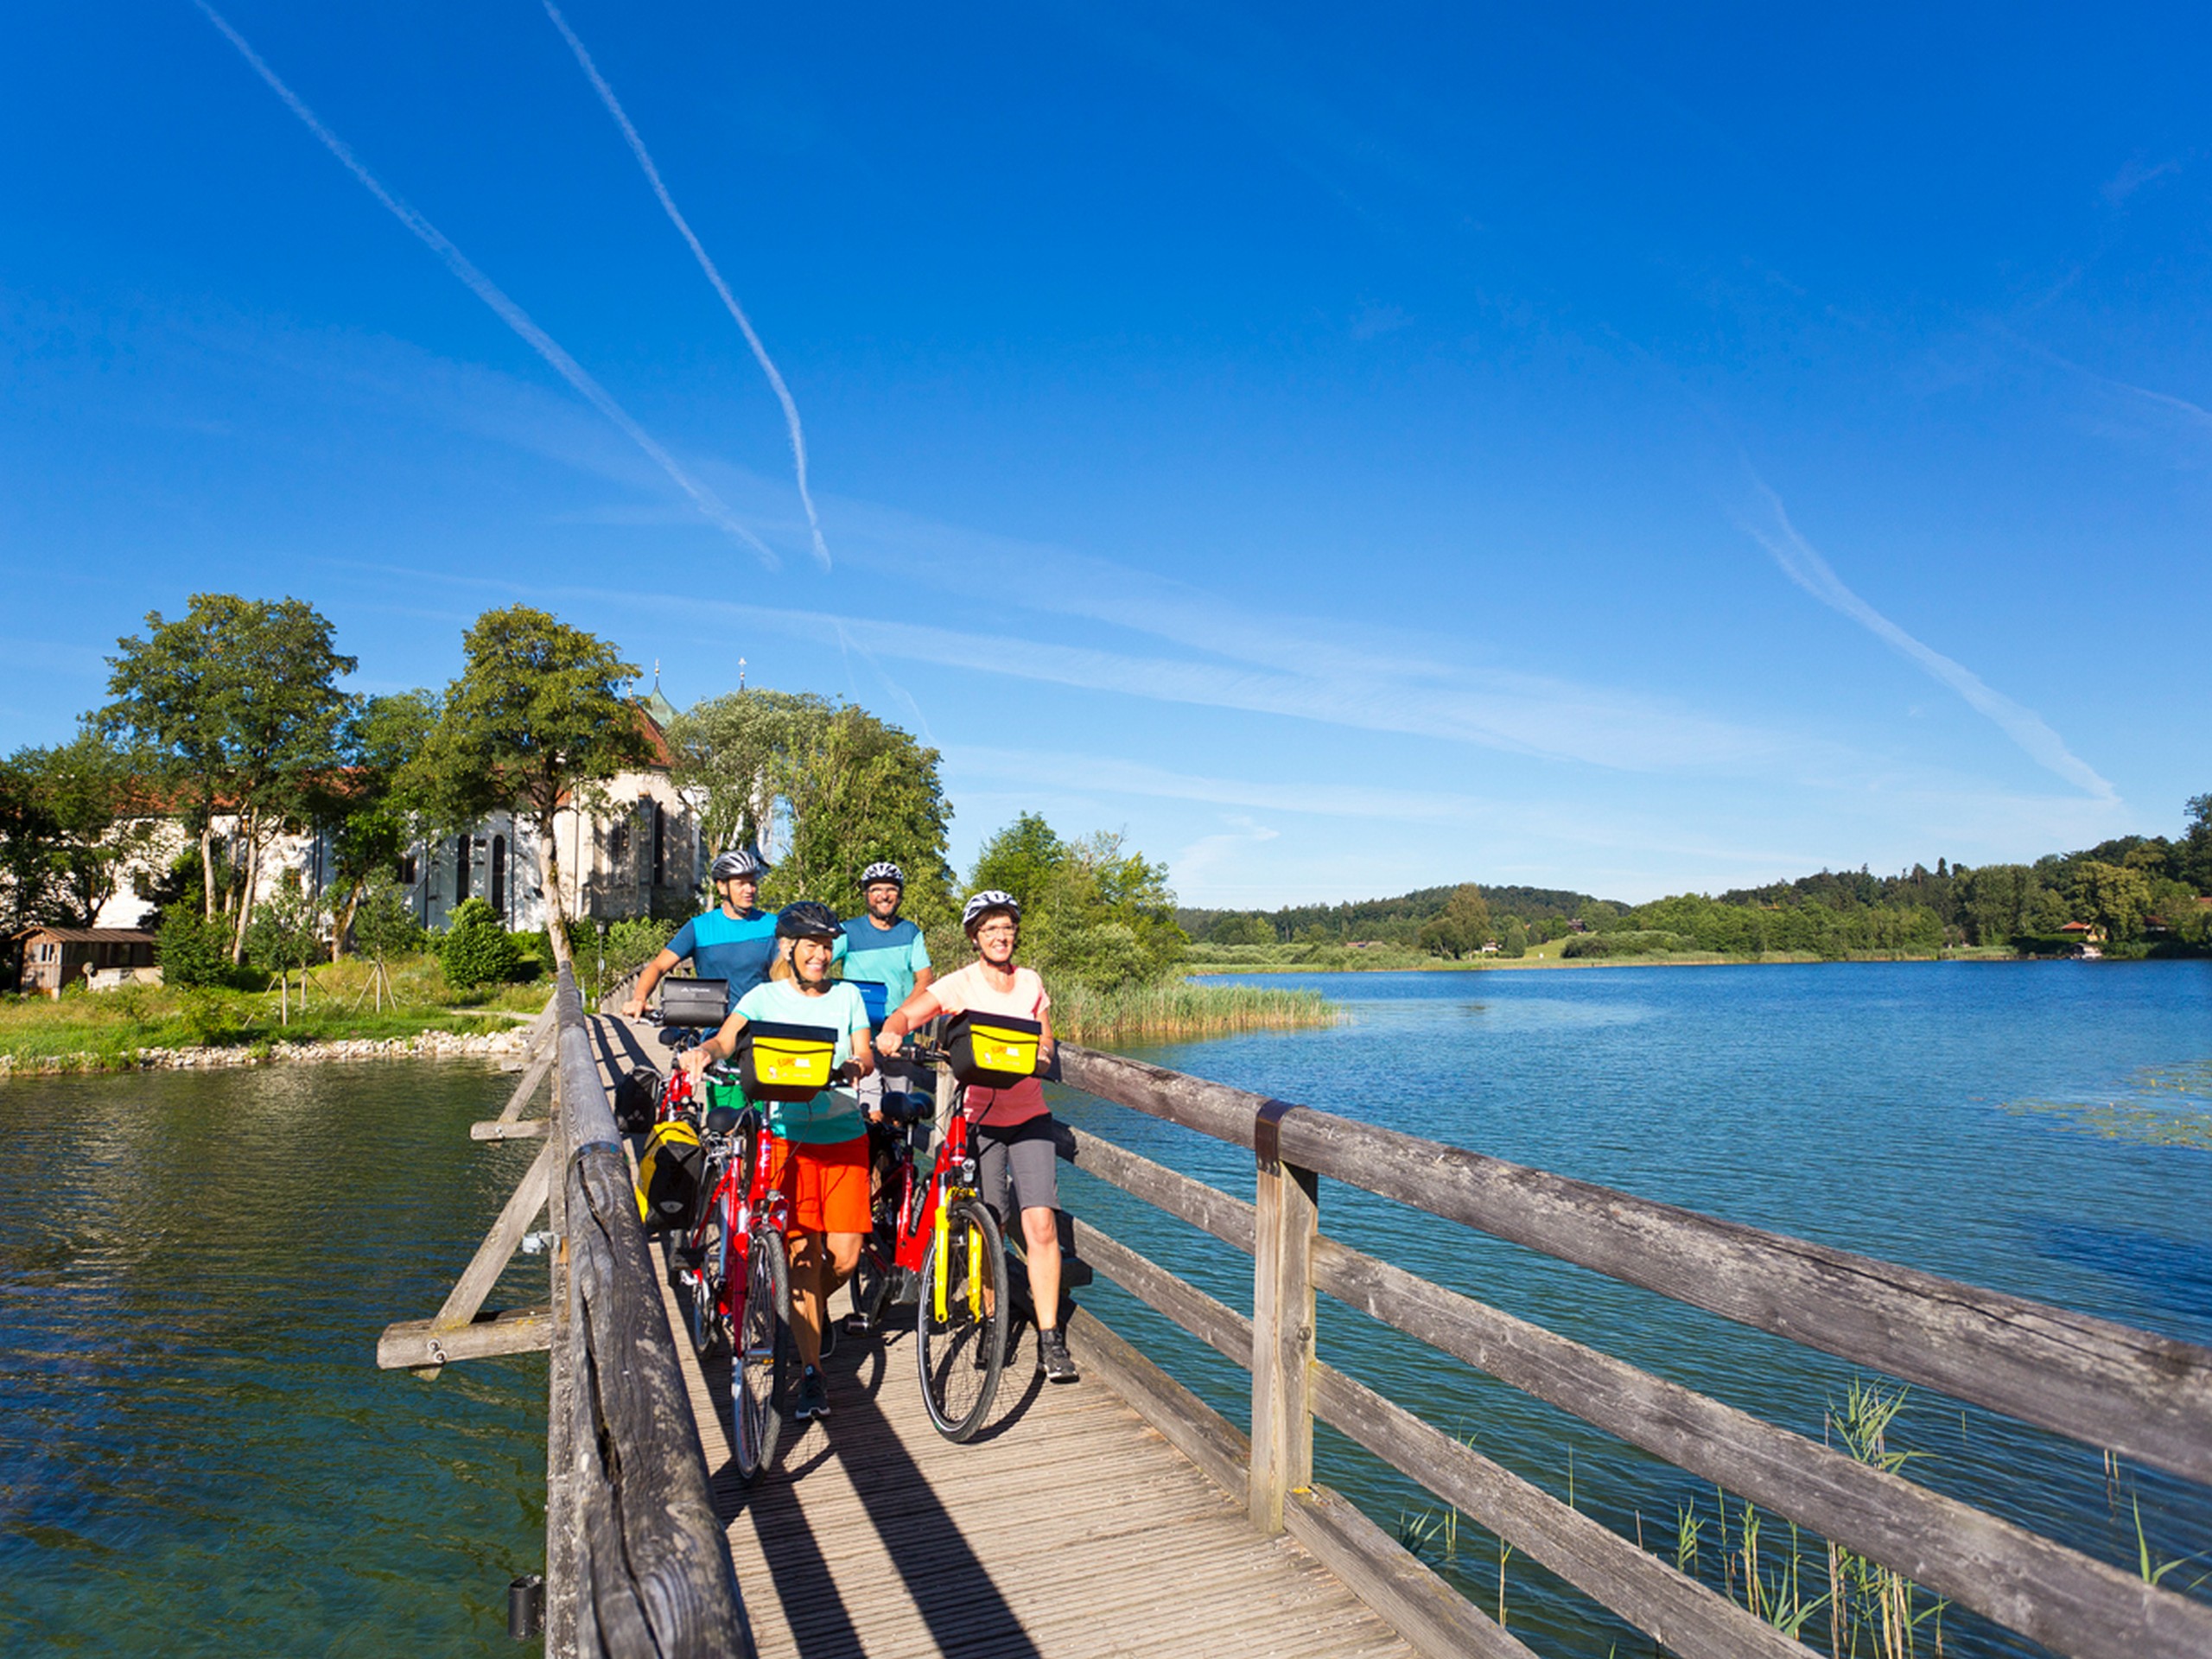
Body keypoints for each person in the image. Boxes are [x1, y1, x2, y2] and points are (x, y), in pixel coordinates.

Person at [874, 889, 1077, 1384]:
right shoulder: (960, 983)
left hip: (1029, 1115)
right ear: (975, 937)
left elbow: (1045, 1037)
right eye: (990, 929)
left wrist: (1045, 1053)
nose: (1000, 936)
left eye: (1007, 928)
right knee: (990, 1223)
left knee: (1041, 1225)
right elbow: (910, 1013)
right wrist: (891, 1031)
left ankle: (1050, 1339)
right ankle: (991, 1319)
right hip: (980, 1119)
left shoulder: (1030, 982)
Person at [682, 901, 874, 1422]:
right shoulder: (765, 997)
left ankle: (794, 1306)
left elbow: (865, 1050)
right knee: (803, 1256)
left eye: (827, 946)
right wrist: (706, 1053)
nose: (820, 955)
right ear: (789, 949)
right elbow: (727, 1036)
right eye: (810, 945)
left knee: (847, 1257)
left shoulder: (849, 995)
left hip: (843, 1135)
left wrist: (857, 1063)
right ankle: (812, 1374)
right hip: (786, 1137)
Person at [625, 846, 778, 1020]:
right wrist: (639, 998)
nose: (749, 889)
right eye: (741, 883)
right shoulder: (700, 927)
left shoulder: (773, 925)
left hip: (761, 1026)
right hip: (715, 1028)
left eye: (752, 883)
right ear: (722, 887)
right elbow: (658, 966)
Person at [833, 861, 935, 1111]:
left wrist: (901, 1017)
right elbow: (817, 964)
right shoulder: (848, 930)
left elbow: (925, 979)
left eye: (890, 889)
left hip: (900, 1037)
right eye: (876, 889)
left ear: (899, 895)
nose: (884, 895)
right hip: (860, 1035)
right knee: (869, 1110)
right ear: (867, 895)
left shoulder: (910, 932)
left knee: (900, 1110)